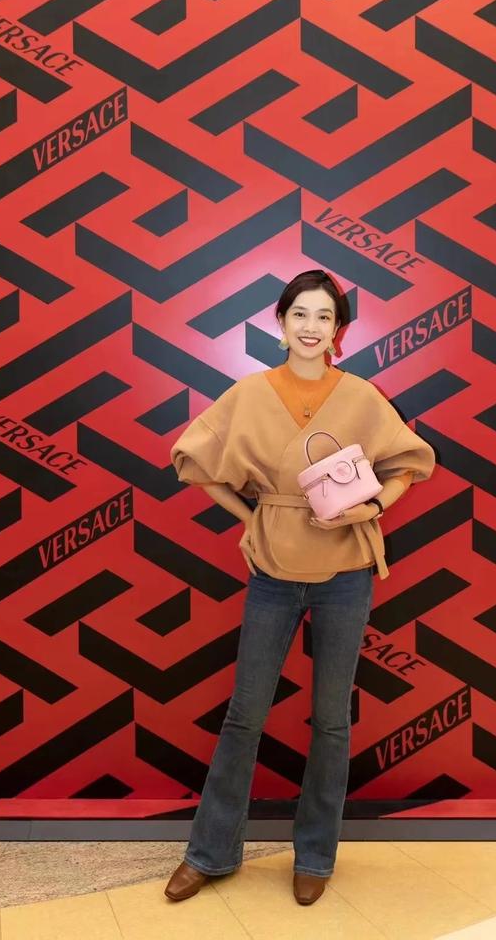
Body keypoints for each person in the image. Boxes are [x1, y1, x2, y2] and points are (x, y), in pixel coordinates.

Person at [164, 269, 436, 906]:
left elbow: (409, 463)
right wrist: (252, 517)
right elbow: (193, 460)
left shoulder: (361, 395)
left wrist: (374, 507)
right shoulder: (250, 393)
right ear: (281, 324)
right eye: (300, 315)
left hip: (346, 572)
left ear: (338, 331)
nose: (311, 327)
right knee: (245, 715)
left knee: (332, 721)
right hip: (273, 570)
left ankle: (315, 854)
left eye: (324, 317)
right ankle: (210, 854)